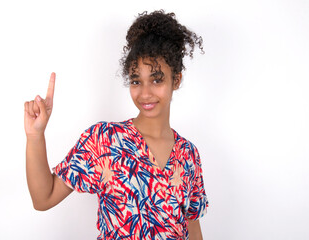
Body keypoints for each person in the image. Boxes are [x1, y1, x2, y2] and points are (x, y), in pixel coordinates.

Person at [24, 10, 208, 240]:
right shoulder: (104, 140)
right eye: (136, 81)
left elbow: (192, 227)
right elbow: (44, 198)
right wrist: (35, 136)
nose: (145, 93)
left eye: (157, 79)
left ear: (176, 80)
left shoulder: (188, 154)